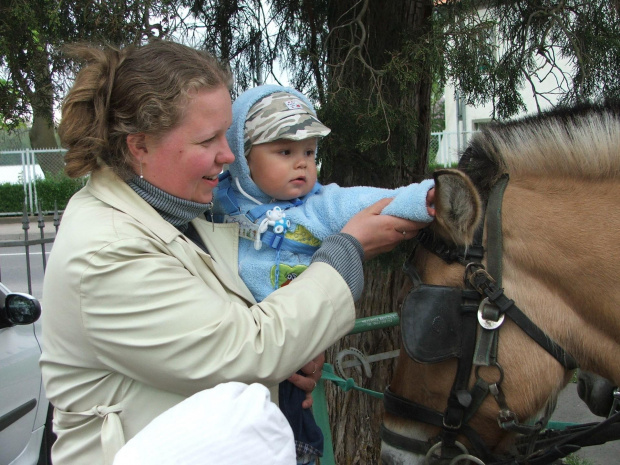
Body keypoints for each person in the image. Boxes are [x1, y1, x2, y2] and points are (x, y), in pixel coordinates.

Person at [39, 39, 429, 465]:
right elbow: (248, 351)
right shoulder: (108, 251)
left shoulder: (177, 213)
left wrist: (296, 351)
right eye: (208, 140)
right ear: (139, 146)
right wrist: (346, 251)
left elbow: (229, 321)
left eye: (227, 134)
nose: (228, 155)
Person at [211, 84, 436, 464]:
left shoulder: (319, 207)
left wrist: (428, 197)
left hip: (289, 357)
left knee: (296, 437)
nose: (302, 163)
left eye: (310, 152)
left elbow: (370, 201)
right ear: (243, 157)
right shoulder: (214, 199)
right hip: (233, 360)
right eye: (284, 151)